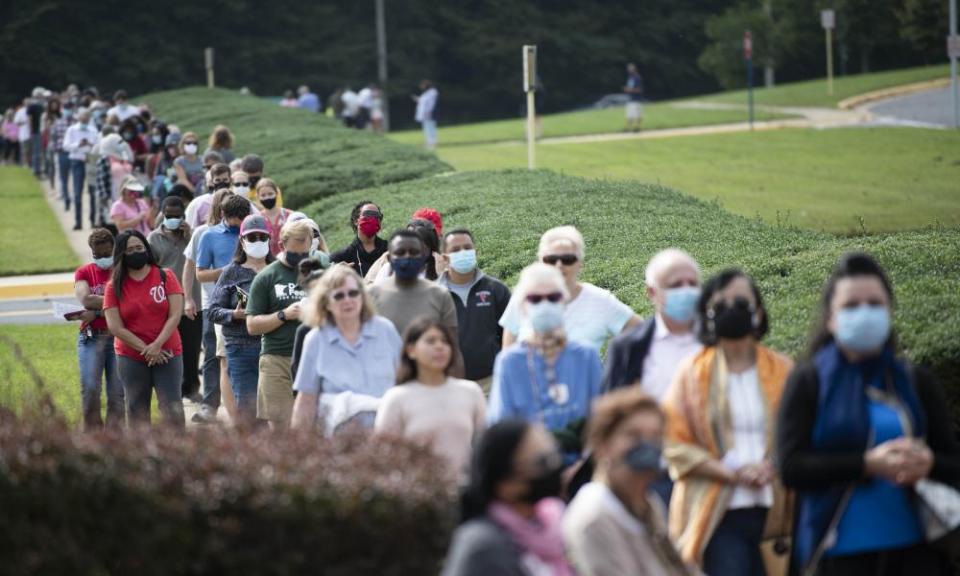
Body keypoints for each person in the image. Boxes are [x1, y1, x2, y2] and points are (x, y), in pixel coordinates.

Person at [777, 252, 960, 576]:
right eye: (851, 306)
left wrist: (928, 462)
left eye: (874, 304)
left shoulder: (914, 382)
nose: (864, 313)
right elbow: (791, 467)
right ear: (831, 318)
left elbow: (952, 463)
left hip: (916, 554)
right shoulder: (809, 382)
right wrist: (867, 464)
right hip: (839, 558)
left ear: (890, 310)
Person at [663, 268, 793, 574]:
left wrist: (771, 466)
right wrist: (732, 472)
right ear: (706, 315)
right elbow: (673, 440)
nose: (730, 311)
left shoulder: (784, 370)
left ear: (758, 312)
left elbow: (803, 432)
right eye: (720, 306)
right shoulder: (692, 373)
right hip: (718, 513)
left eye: (740, 303)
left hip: (777, 510)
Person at [602, 248, 703, 506]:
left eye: (692, 284)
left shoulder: (715, 341)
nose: (686, 290)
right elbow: (610, 414)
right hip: (656, 471)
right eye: (675, 285)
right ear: (652, 292)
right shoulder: (630, 348)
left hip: (712, 465)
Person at [562, 388, 692, 576]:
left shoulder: (647, 503)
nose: (647, 446)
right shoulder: (595, 514)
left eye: (655, 436)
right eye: (633, 435)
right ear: (603, 445)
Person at [487, 263, 603, 464]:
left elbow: (602, 419)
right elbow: (501, 426)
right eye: (535, 299)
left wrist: (580, 467)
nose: (545, 304)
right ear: (523, 306)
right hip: (530, 470)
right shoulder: (510, 362)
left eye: (553, 297)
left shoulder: (586, 355)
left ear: (564, 302)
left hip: (584, 469)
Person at [442, 420, 572, 576]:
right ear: (505, 485)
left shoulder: (551, 525)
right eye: (542, 462)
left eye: (555, 454)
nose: (556, 466)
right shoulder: (485, 548)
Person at [290, 265, 402, 434]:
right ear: (326, 303)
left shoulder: (385, 330)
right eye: (339, 296)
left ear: (362, 296)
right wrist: (298, 448)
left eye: (353, 293)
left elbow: (405, 382)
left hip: (388, 435)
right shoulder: (315, 340)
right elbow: (306, 399)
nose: (347, 300)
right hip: (340, 443)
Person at [500, 226, 641, 352]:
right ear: (540, 261)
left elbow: (642, 332)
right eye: (551, 259)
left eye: (567, 259)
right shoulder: (525, 296)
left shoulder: (600, 301)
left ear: (580, 263)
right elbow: (508, 351)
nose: (559, 265)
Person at [376, 318, 486, 477]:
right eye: (430, 341)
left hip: (465, 490)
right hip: (419, 493)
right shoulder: (396, 398)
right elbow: (384, 454)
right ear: (411, 350)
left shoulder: (471, 391)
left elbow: (486, 444)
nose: (439, 346)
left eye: (444, 341)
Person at [103, 230, 186, 428]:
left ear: (147, 249)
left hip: (168, 352)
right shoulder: (113, 286)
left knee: (172, 409)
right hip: (131, 357)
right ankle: (141, 457)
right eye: (130, 250)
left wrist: (157, 345)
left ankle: (179, 455)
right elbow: (115, 326)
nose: (136, 252)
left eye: (139, 248)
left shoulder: (166, 276)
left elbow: (175, 314)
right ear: (121, 254)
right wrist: (147, 349)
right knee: (136, 410)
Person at [246, 219, 312, 429]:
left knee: (311, 428)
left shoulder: (318, 273)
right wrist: (283, 315)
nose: (301, 259)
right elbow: (252, 325)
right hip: (277, 358)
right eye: (295, 254)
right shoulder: (267, 277)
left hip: (312, 357)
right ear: (282, 247)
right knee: (281, 429)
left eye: (305, 253)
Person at [209, 215, 274, 426]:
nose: (257, 241)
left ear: (269, 239)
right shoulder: (231, 272)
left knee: (274, 412)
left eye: (262, 237)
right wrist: (234, 314)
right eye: (251, 237)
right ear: (242, 241)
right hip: (240, 347)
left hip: (275, 348)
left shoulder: (278, 270)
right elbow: (213, 311)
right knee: (247, 410)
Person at [368, 230, 462, 370]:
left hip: (432, 380)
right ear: (389, 258)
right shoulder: (371, 295)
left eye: (413, 252)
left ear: (423, 256)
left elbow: (453, 348)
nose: (407, 257)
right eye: (400, 253)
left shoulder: (440, 294)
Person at [194, 193, 248, 423]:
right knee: (221, 357)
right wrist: (227, 271)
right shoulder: (209, 236)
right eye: (236, 222)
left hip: (253, 300)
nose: (239, 228)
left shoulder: (251, 232)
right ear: (224, 215)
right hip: (223, 303)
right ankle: (219, 410)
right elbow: (200, 273)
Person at [437, 228, 511, 393]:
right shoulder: (434, 294)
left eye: (467, 248)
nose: (463, 253)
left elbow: (511, 334)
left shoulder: (496, 289)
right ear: (444, 257)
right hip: (449, 385)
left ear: (476, 252)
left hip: (492, 383)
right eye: (455, 250)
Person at [147, 196, 201, 402]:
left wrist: (189, 235)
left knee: (192, 347)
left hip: (191, 299)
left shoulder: (193, 235)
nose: (172, 219)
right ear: (163, 214)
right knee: (169, 345)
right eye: (168, 215)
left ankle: (191, 387)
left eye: (176, 216)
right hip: (166, 301)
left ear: (183, 215)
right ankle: (172, 390)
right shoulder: (153, 238)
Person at [181, 189, 232, 406]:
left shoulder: (243, 231)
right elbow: (190, 267)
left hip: (240, 301)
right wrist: (188, 299)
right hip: (212, 302)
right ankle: (210, 404)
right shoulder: (202, 233)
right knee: (212, 354)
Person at [73, 228, 124, 430]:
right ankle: (92, 435)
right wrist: (115, 304)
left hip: (118, 339)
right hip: (90, 338)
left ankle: (114, 435)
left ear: (114, 249)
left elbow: (128, 303)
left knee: (117, 392)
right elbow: (85, 298)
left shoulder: (122, 270)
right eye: (97, 255)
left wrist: (96, 313)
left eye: (106, 254)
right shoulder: (84, 272)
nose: (102, 258)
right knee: (90, 389)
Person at [62, 108, 99, 230]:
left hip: (90, 160)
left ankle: (93, 220)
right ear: (78, 118)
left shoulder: (93, 130)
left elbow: (98, 146)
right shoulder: (72, 129)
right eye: (83, 118)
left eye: (86, 119)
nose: (84, 121)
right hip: (76, 160)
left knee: (93, 192)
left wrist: (89, 144)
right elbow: (66, 146)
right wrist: (79, 144)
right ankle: (78, 222)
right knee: (77, 192)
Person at [330, 200, 387, 278]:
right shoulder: (342, 257)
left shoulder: (391, 250)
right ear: (356, 221)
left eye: (378, 216)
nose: (373, 219)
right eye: (368, 214)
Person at [94, 133, 133, 228]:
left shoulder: (123, 157)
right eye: (118, 143)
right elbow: (101, 182)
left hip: (126, 197)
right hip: (111, 199)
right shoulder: (104, 159)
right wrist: (105, 201)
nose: (121, 145)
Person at [184, 163, 233, 230]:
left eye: (225, 180)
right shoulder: (199, 203)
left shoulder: (240, 202)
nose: (222, 183)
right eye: (217, 180)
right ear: (212, 182)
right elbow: (190, 229)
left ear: (230, 180)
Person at [253, 177, 292, 256]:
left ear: (277, 193)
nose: (267, 197)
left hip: (289, 259)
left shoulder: (289, 215)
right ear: (257, 197)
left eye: (270, 194)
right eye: (263, 195)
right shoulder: (256, 220)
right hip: (267, 262)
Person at [173, 131, 204, 196]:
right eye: (188, 143)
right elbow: (183, 180)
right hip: (187, 192)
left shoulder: (202, 159)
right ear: (183, 145)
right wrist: (197, 193)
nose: (192, 145)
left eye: (194, 143)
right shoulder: (178, 161)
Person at [413, 79, 439, 149]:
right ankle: (429, 142)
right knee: (427, 128)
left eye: (422, 85)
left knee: (430, 127)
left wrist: (429, 111)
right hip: (425, 113)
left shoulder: (432, 92)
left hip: (429, 113)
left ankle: (432, 142)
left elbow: (431, 103)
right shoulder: (427, 93)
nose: (421, 87)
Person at [623, 63, 644, 132]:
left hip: (636, 99)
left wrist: (629, 90)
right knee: (629, 115)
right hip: (630, 99)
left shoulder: (637, 78)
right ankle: (629, 128)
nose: (629, 70)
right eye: (629, 69)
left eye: (631, 69)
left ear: (634, 69)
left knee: (637, 114)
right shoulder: (630, 78)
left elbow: (639, 89)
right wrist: (627, 89)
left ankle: (637, 127)